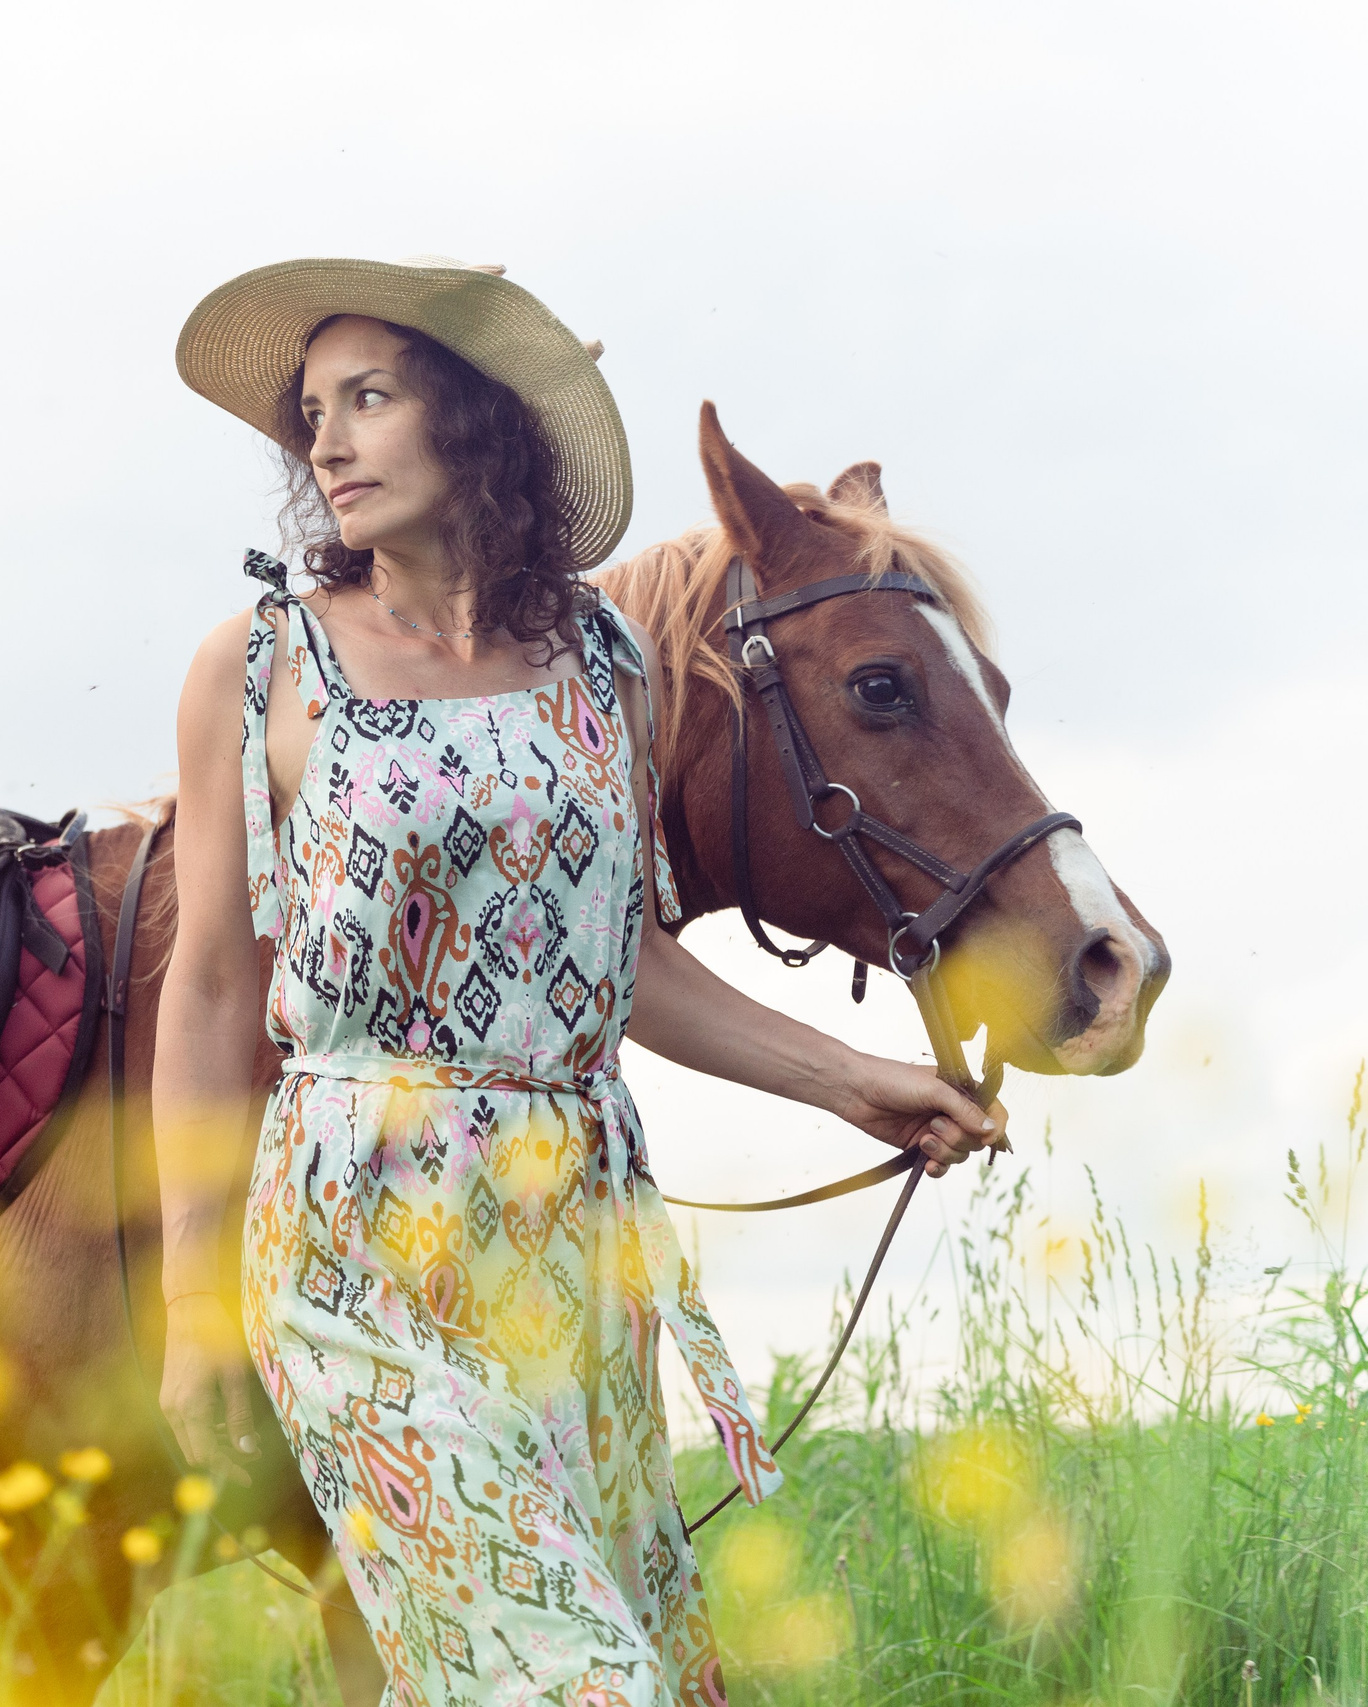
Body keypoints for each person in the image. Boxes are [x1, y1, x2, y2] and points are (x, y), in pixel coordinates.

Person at [153, 256, 1000, 1707]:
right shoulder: (258, 667)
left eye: (371, 398)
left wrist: (851, 1079)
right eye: (313, 413)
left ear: (475, 421)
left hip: (573, 1242)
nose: (329, 443)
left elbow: (614, 961)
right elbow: (215, 987)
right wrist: (186, 1297)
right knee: (577, 1680)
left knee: (573, 1666)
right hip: (357, 1239)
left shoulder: (603, 661)